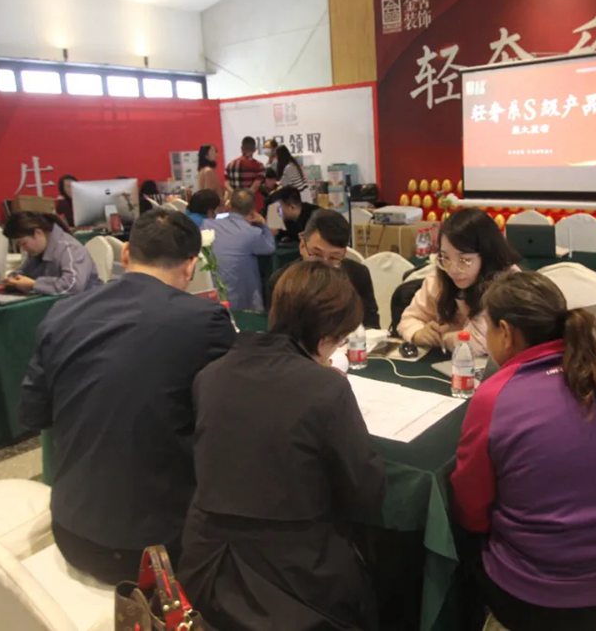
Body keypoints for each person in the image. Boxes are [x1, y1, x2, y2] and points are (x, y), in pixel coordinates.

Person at [450, 271, 596, 631]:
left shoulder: (494, 396)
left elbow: (471, 511)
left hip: (530, 602)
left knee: (461, 544)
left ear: (506, 332)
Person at [20, 210, 235, 584]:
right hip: (160, 551)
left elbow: (34, 413)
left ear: (125, 255)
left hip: (71, 531)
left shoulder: (62, 312)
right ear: (190, 266)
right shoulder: (205, 320)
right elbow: (231, 418)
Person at [180, 261, 385, 630]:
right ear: (326, 336)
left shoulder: (209, 376)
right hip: (296, 582)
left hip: (207, 568)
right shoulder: (327, 389)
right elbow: (364, 492)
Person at [398, 208, 519, 355]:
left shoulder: (509, 283)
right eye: (445, 257)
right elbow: (409, 318)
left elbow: (478, 342)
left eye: (464, 260)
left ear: (487, 255)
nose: (453, 269)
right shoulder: (440, 278)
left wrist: (443, 338)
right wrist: (418, 333)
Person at [268, 209, 379, 327]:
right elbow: (277, 333)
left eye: (334, 257)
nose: (324, 263)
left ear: (344, 254)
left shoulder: (358, 275)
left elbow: (371, 324)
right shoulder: (282, 281)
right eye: (317, 254)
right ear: (302, 246)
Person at [203, 188, 275, 310]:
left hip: (211, 297)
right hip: (242, 302)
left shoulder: (207, 225)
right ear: (253, 211)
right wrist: (263, 224)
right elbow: (270, 247)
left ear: (229, 205)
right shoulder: (252, 233)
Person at [2, 212, 101, 295]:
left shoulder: (69, 248)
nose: (23, 249)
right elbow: (25, 272)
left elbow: (73, 286)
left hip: (86, 305)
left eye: (23, 243)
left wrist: (34, 285)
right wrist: (14, 279)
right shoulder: (37, 250)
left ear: (38, 233)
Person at [225, 136, 267, 212]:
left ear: (241, 148)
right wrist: (244, 199)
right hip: (252, 206)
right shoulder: (259, 166)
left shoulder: (230, 165)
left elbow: (226, 184)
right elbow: (254, 187)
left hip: (234, 205)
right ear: (255, 149)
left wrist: (236, 196)